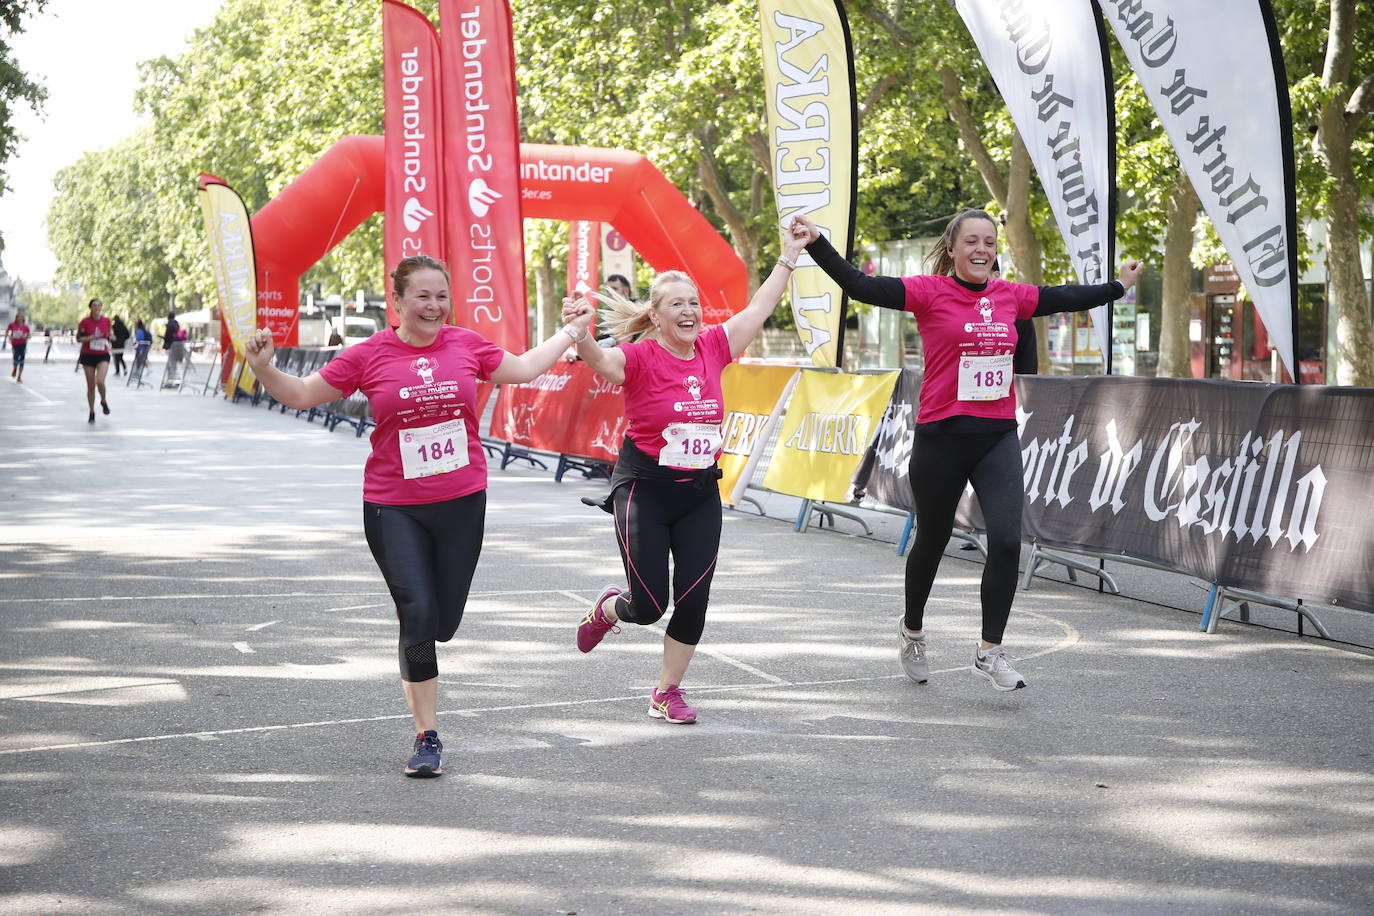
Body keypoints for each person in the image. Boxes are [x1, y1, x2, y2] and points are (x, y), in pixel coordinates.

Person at [244, 254, 595, 778]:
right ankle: (427, 735)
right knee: (418, 615)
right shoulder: (369, 355)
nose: (433, 306)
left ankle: (418, 616)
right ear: (398, 302)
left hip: (461, 501)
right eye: (422, 296)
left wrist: (572, 331)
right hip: (393, 506)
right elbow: (299, 394)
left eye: (441, 296)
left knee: (444, 622)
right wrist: (264, 367)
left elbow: (522, 368)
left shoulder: (466, 345)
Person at [792, 210, 1140, 691]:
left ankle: (990, 651)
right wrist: (816, 243)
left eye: (989, 243)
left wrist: (1116, 289)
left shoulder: (1010, 296)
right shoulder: (929, 293)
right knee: (931, 541)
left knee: (1007, 539)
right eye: (972, 242)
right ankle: (912, 628)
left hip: (995, 436)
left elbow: (1061, 297)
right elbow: (860, 286)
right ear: (953, 248)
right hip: (941, 437)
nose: (982, 250)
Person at [562, 222, 810, 724]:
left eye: (693, 302)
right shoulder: (640, 356)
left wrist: (788, 256)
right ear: (655, 314)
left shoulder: (714, 347)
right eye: (677, 304)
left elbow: (759, 310)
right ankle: (609, 610)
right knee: (650, 604)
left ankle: (666, 692)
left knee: (694, 599)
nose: (689, 311)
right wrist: (581, 334)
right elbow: (605, 364)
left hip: (698, 493)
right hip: (643, 492)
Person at [76, 298, 114, 423]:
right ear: (91, 308)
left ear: (101, 307)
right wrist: (92, 337)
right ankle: (91, 411)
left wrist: (111, 336)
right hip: (88, 355)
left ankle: (103, 400)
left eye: (99, 305)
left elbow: (112, 335)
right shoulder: (85, 322)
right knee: (91, 386)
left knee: (100, 381)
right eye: (94, 305)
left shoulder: (107, 321)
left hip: (102, 354)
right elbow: (79, 339)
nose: (97, 307)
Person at [5, 311, 30, 383]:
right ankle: (15, 368)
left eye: (21, 318)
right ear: (16, 319)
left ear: (23, 319)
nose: (19, 319)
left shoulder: (25, 327)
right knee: (15, 358)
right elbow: (7, 330)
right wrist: (9, 336)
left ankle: (19, 377)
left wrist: (25, 336)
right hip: (15, 344)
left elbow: (29, 336)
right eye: (18, 318)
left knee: (22, 360)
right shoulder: (12, 325)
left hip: (23, 344)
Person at [163, 310, 185, 386]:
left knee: (171, 364)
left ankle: (170, 381)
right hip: (179, 346)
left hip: (172, 346)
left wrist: (165, 342)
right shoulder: (176, 324)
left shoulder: (169, 324)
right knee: (176, 364)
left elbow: (168, 336)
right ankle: (177, 380)